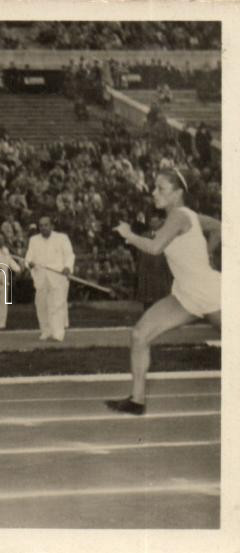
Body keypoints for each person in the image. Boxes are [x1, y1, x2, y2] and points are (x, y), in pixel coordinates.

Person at [107, 168, 220, 415]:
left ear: (177, 193)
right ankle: (137, 401)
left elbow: (155, 248)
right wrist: (208, 252)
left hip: (210, 292)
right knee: (139, 335)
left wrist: (129, 235)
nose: (153, 192)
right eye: (154, 187)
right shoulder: (186, 216)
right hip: (185, 295)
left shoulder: (179, 215)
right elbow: (218, 227)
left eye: (161, 188)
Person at [24, 216, 75, 341]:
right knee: (42, 305)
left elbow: (70, 255)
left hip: (58, 277)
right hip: (40, 278)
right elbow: (28, 258)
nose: (43, 228)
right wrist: (29, 263)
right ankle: (46, 331)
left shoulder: (62, 238)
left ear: (52, 226)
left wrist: (67, 267)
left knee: (57, 305)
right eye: (41, 225)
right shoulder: (34, 240)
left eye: (46, 225)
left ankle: (57, 333)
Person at [134, 214, 173, 311]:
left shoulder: (166, 235)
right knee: (148, 293)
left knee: (162, 292)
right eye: (151, 222)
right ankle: (147, 311)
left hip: (162, 268)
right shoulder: (144, 235)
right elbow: (140, 251)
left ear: (160, 222)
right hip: (147, 268)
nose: (152, 224)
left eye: (155, 222)